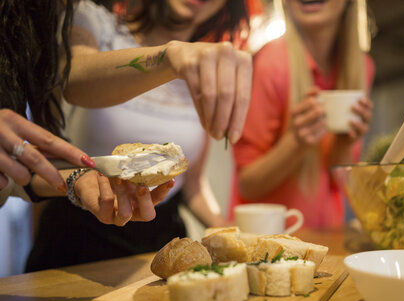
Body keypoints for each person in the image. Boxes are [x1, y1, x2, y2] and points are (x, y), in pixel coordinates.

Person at [25, 0, 252, 272]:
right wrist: (168, 57)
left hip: (161, 247)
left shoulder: (204, 71)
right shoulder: (93, 21)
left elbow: (191, 186)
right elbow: (74, 80)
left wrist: (225, 228)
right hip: (78, 238)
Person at [0, 0, 173, 220]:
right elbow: (73, 79)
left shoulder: (34, 16)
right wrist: (167, 59)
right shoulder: (88, 18)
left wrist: (76, 180)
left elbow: (14, 180)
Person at [231, 0, 375, 229]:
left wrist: (346, 143)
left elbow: (339, 184)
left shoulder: (362, 67)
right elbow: (247, 184)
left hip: (327, 237)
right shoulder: (270, 64)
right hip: (270, 239)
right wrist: (295, 143)